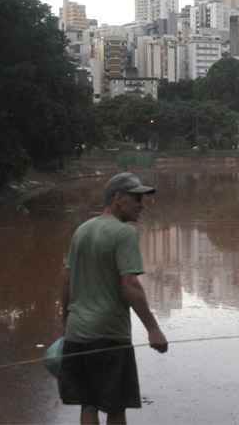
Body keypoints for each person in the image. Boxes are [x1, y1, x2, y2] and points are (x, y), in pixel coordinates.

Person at [60, 172, 168, 425]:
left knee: (89, 404)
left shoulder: (82, 230)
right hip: (109, 334)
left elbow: (66, 280)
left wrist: (66, 323)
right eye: (136, 199)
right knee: (116, 407)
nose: (142, 205)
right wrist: (153, 329)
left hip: (77, 333)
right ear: (118, 199)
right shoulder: (124, 233)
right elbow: (130, 285)